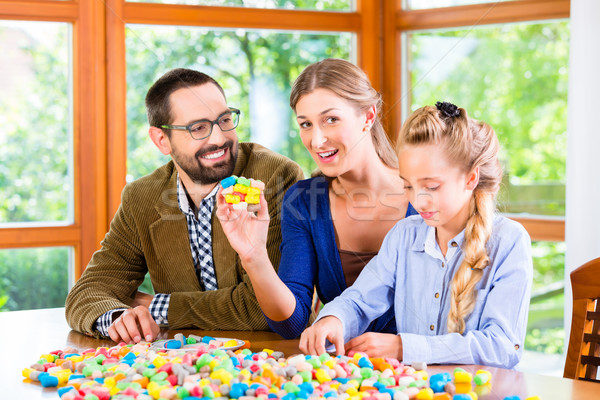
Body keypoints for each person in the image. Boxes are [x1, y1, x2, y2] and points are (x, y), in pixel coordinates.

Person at [65, 68, 304, 343]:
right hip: (181, 367)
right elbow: (88, 292)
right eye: (198, 128)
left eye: (224, 120)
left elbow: (267, 309)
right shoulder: (141, 197)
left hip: (270, 360)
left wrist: (154, 306)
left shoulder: (274, 177)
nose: (218, 138)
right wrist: (120, 317)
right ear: (161, 140)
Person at [298, 101, 533, 369]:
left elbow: (502, 347)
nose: (419, 201)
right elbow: (360, 300)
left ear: (470, 179)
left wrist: (402, 347)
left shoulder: (509, 242)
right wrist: (334, 319)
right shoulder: (404, 235)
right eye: (408, 186)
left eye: (431, 186)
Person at [217, 58, 417, 341]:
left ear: (368, 116)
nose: (317, 139)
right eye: (306, 124)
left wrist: (402, 347)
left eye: (331, 119)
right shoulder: (304, 201)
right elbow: (294, 324)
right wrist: (254, 257)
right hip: (343, 376)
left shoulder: (427, 195)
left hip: (427, 375)